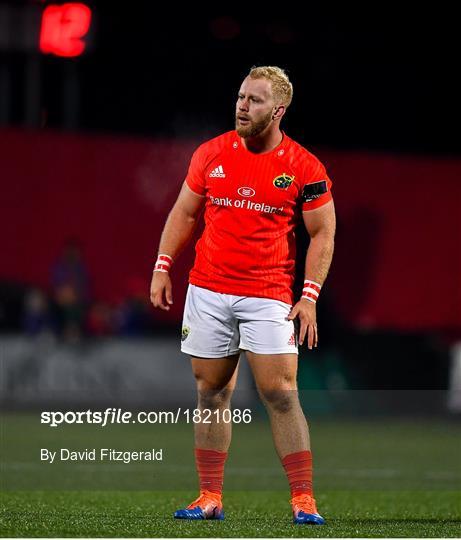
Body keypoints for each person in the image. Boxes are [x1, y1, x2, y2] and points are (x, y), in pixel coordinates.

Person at [150, 66, 335, 525]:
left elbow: (323, 233)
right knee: (211, 392)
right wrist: (162, 266)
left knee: (281, 393)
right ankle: (209, 497)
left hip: (269, 295)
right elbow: (184, 212)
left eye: (253, 100)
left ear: (279, 110)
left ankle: (303, 501)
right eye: (240, 96)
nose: (241, 105)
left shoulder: (304, 166)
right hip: (208, 291)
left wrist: (308, 296)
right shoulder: (210, 153)